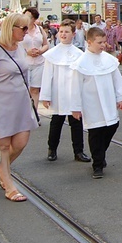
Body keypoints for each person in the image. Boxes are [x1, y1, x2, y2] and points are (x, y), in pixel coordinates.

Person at [0, 13, 39, 203]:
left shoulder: (19, 47)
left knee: (21, 142)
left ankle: (1, 169)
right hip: (1, 104)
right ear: (11, 29)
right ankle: (9, 185)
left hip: (20, 103)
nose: (26, 32)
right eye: (22, 28)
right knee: (3, 146)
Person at [70, 27, 122, 179]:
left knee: (112, 126)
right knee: (96, 132)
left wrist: (120, 97)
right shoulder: (81, 63)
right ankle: (98, 164)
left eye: (104, 42)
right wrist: (75, 108)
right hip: (92, 103)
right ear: (89, 42)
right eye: (99, 42)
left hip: (108, 100)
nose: (103, 45)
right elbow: (75, 87)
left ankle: (100, 153)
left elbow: (117, 79)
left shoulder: (109, 60)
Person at [40, 19, 90, 164]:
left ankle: (78, 151)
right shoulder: (52, 54)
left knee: (76, 123)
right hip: (58, 93)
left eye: (67, 32)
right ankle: (52, 149)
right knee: (56, 122)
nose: (63, 34)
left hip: (73, 94)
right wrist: (46, 96)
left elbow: (83, 76)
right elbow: (47, 75)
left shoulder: (79, 54)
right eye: (61, 31)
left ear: (73, 34)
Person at [22, 7, 49, 110]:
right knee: (25, 89)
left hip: (38, 62)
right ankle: (25, 112)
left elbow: (46, 44)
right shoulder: (21, 29)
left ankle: (34, 112)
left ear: (34, 19)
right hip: (25, 62)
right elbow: (16, 44)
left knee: (35, 89)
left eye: (30, 17)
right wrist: (26, 51)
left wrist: (40, 51)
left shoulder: (40, 29)